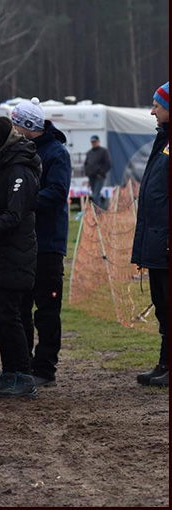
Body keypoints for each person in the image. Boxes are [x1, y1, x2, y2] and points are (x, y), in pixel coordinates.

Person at [0, 116, 42, 400]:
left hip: (16, 250)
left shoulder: (19, 168)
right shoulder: (0, 163)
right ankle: (10, 372)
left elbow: (14, 215)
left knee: (9, 314)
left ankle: (23, 377)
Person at [10, 97, 71, 387]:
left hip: (47, 244)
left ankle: (45, 369)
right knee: (19, 307)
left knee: (46, 309)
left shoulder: (56, 153)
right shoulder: (19, 150)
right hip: (22, 242)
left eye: (16, 125)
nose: (13, 130)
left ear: (26, 126)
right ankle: (20, 367)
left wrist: (23, 201)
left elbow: (57, 192)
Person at [132, 81, 169, 389]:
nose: (152, 111)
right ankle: (165, 363)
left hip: (165, 240)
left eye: (157, 106)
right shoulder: (163, 141)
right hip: (157, 240)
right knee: (163, 305)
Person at [84, 135, 111, 209]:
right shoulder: (89, 153)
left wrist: (101, 173)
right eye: (92, 142)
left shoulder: (103, 151)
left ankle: (100, 212)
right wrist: (87, 173)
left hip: (99, 177)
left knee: (96, 195)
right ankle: (101, 210)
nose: (94, 143)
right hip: (91, 177)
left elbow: (108, 164)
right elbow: (86, 164)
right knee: (95, 196)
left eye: (95, 142)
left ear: (98, 142)